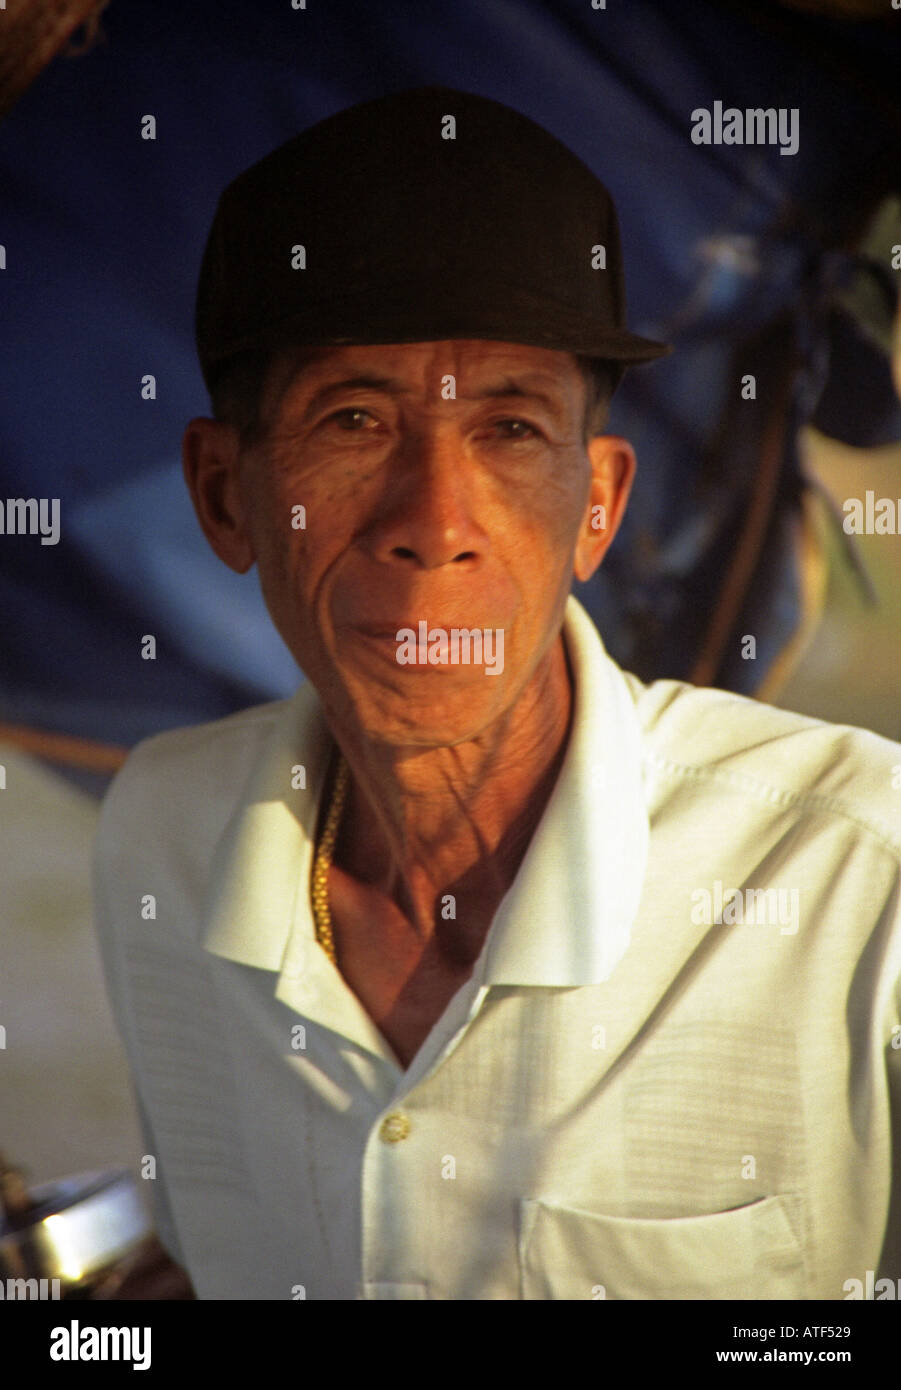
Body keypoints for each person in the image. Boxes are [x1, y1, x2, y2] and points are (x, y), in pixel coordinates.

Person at [93, 85, 901, 1300]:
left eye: (512, 429)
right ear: (224, 494)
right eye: (354, 418)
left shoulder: (859, 880)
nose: (435, 522)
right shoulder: (159, 839)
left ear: (599, 506)